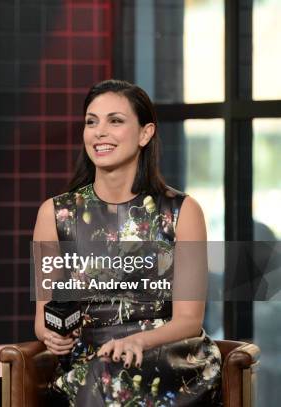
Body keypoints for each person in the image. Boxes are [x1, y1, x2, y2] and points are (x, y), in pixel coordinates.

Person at [33, 79, 221, 405]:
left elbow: (189, 321)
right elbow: (43, 315)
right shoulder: (55, 214)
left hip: (169, 355)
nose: (99, 131)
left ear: (145, 133)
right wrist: (50, 335)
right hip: (89, 359)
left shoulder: (182, 212)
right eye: (91, 122)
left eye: (115, 121)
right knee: (99, 374)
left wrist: (138, 341)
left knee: (106, 378)